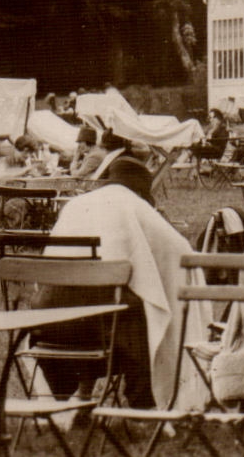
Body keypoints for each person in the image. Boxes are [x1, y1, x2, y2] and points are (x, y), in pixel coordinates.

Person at [36, 156, 194, 410]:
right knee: (148, 310)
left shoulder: (76, 204)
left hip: (50, 323)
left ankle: (81, 395)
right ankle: (144, 401)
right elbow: (180, 250)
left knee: (101, 299)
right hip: (103, 328)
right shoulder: (134, 206)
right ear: (140, 190)